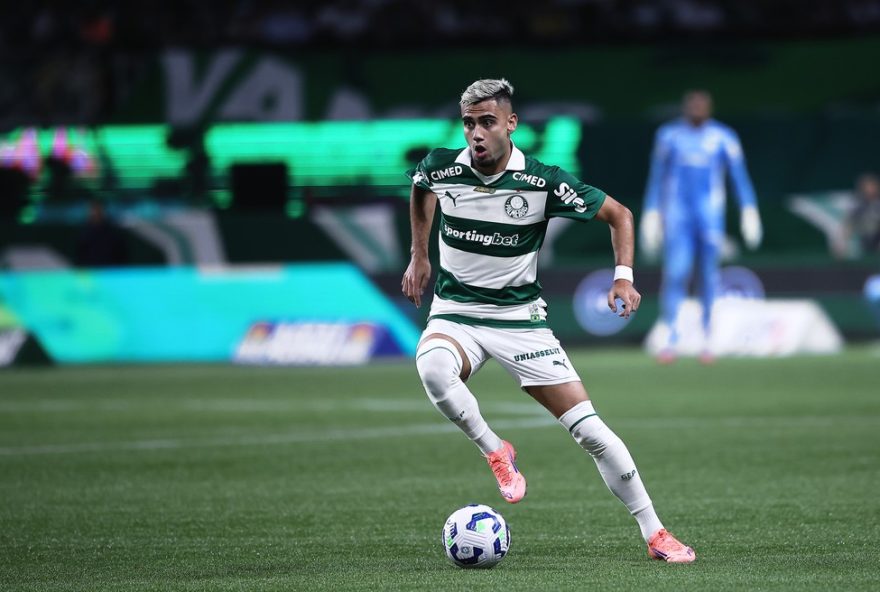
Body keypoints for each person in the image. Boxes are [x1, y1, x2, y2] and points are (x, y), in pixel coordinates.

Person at [401, 78, 695, 563]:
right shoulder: (441, 165)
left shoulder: (542, 181)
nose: (476, 133)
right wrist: (419, 257)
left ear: (511, 125)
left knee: (592, 432)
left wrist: (623, 277)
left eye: (487, 123)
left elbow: (620, 215)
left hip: (520, 321)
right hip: (456, 312)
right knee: (432, 368)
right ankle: (496, 451)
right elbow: (420, 189)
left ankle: (656, 533)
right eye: (469, 123)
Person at [640, 90, 762, 363]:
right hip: (678, 217)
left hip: (709, 217)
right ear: (685, 107)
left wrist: (749, 209)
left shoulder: (723, 137)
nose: (697, 109)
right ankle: (670, 336)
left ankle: (708, 337)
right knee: (676, 273)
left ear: (710, 107)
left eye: (702, 105)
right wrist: (651, 213)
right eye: (692, 105)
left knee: (708, 276)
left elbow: (739, 178)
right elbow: (657, 179)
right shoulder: (669, 136)